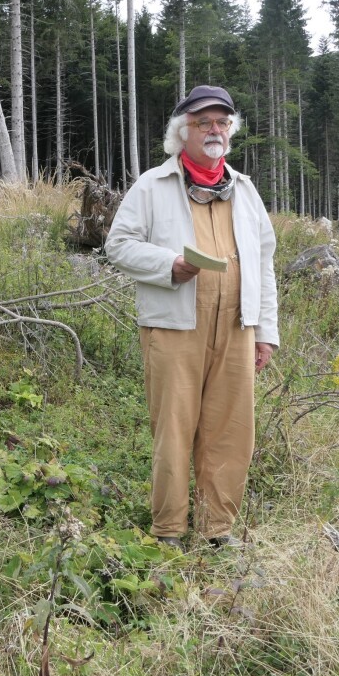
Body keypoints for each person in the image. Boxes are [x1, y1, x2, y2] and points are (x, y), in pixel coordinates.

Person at [104, 85, 279, 550]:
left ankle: (216, 529)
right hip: (174, 326)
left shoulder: (245, 190)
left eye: (222, 122)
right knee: (174, 428)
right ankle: (168, 530)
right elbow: (118, 245)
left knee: (231, 430)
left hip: (238, 328)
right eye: (204, 123)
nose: (214, 130)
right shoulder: (153, 185)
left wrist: (265, 332)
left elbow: (264, 263)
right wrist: (169, 266)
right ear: (183, 132)